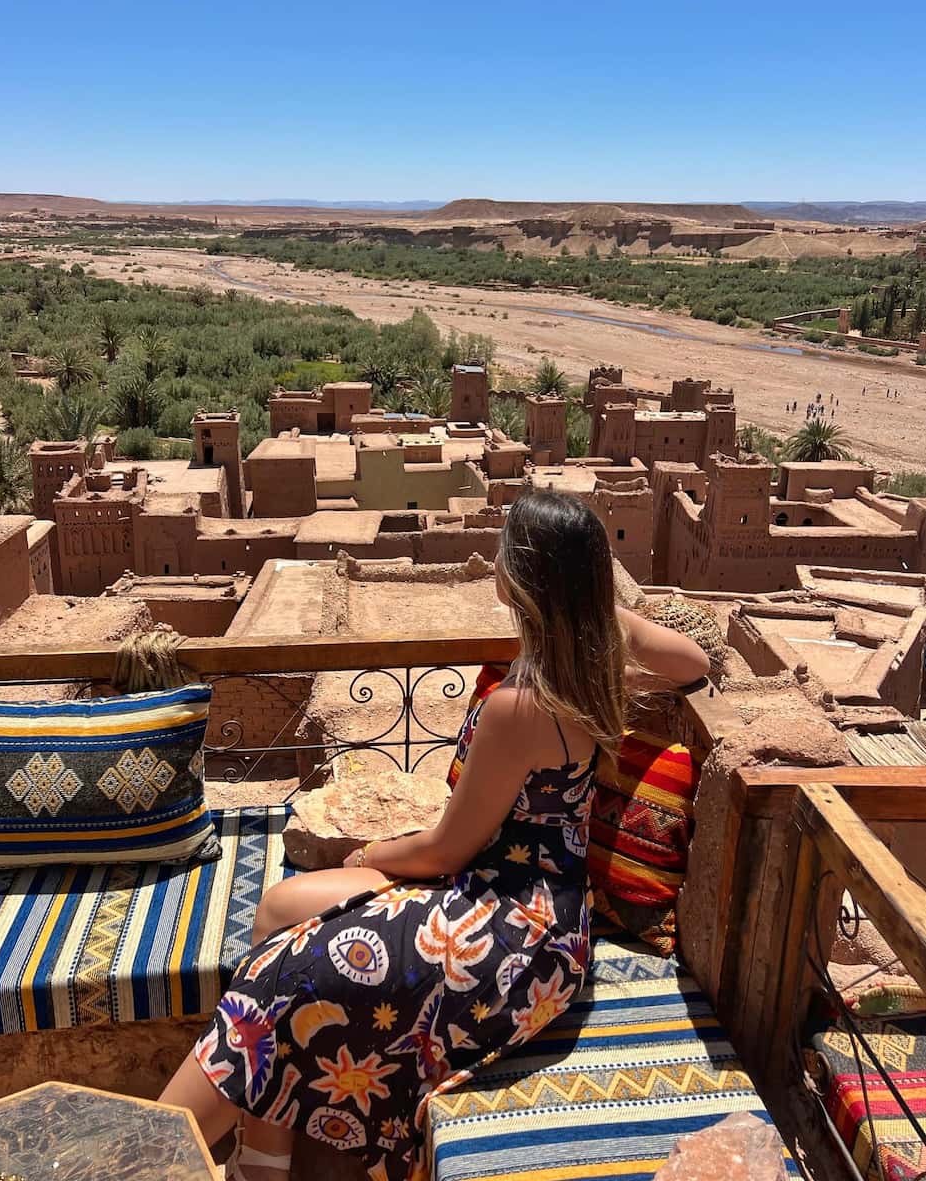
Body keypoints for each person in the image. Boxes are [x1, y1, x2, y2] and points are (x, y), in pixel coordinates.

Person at [160, 492, 710, 1181]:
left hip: (507, 922)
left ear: (519, 580)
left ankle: (159, 1149)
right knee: (278, 912)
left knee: (285, 974)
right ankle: (263, 1158)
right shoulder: (587, 662)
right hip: (547, 911)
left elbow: (445, 848)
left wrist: (366, 854)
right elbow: (691, 661)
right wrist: (592, 606)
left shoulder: (520, 705)